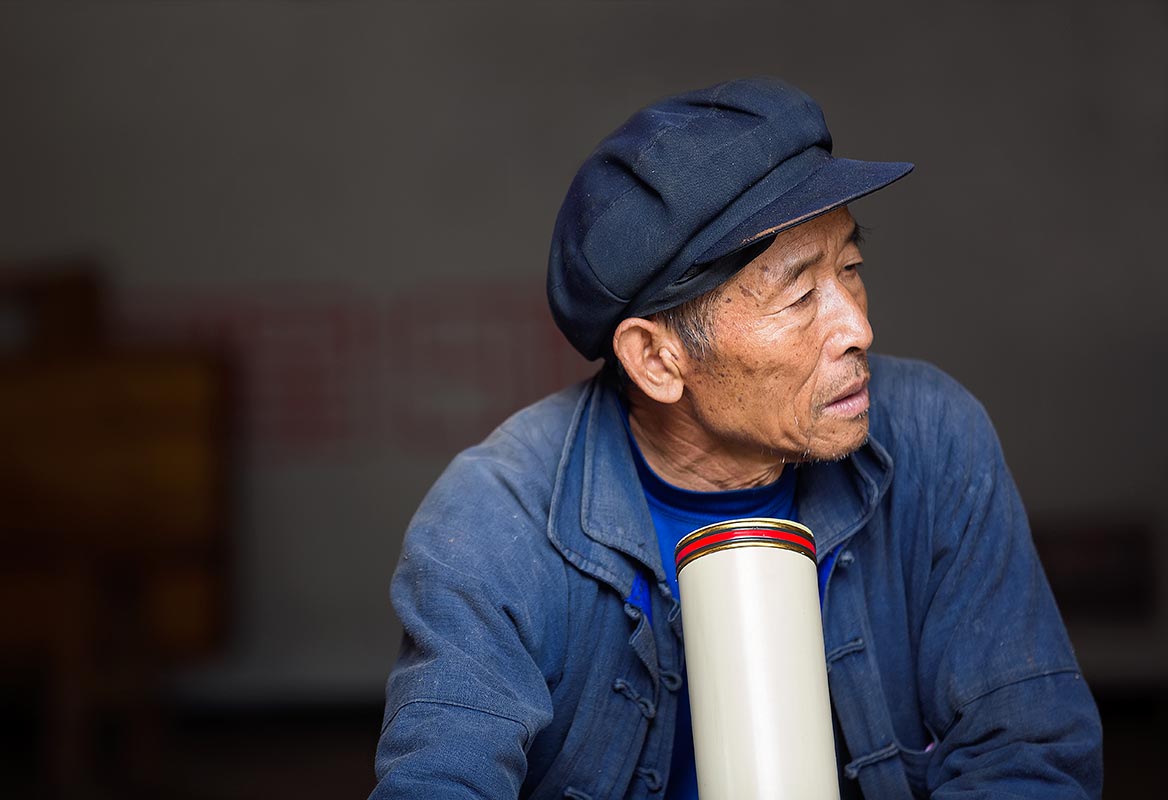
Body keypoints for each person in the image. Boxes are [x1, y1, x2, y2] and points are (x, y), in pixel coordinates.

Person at [370, 77, 1103, 799]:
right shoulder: (495, 522)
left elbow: (1028, 753)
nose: (858, 328)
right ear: (657, 358)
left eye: (851, 268)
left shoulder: (934, 438)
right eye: (799, 295)